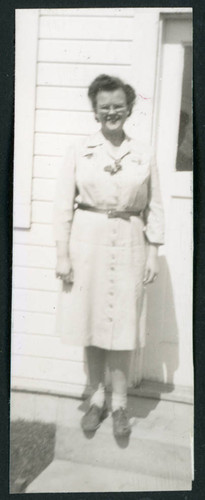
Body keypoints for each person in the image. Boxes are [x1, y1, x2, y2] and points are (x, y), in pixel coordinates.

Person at [54, 74, 164, 438]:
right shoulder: (79, 150)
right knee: (91, 323)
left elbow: (156, 207)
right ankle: (96, 398)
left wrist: (153, 252)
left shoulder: (144, 152)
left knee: (124, 326)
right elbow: (61, 208)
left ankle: (119, 404)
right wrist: (62, 255)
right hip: (87, 242)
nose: (111, 112)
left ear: (129, 107)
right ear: (95, 110)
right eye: (105, 107)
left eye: (118, 105)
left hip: (131, 241)